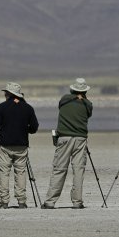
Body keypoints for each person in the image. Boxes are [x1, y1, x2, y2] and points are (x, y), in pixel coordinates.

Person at [42, 78, 92, 209]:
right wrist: (83, 99)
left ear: (72, 89)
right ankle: (77, 202)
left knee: (59, 169)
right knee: (78, 170)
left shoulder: (64, 99)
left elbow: (61, 104)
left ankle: (50, 201)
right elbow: (88, 113)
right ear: (84, 91)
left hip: (64, 138)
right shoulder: (87, 104)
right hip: (80, 139)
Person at [0, 82, 39, 209]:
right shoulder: (27, 108)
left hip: (5, 146)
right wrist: (24, 130)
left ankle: (4, 201)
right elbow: (34, 127)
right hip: (22, 146)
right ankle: (21, 201)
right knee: (21, 173)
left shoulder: (2, 107)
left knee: (4, 173)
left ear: (8, 94)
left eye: (5, 93)